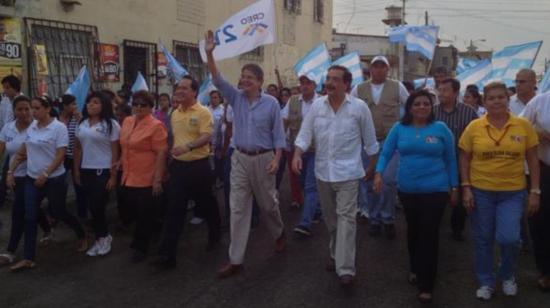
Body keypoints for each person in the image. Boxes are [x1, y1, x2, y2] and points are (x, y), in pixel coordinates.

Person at [205, 30, 286, 279]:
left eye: (250, 77)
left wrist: (276, 159)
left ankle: (279, 232)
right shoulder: (235, 98)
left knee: (268, 205)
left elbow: (279, 137)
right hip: (239, 158)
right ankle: (236, 259)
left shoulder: (271, 103)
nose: (245, 80)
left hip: (264, 159)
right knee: (238, 208)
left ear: (260, 81)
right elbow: (217, 79)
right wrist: (210, 52)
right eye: (243, 77)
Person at [293, 65, 379, 286]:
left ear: (346, 84)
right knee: (332, 222)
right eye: (328, 78)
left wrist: (373, 168)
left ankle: (346, 268)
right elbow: (305, 134)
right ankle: (335, 253)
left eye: (335, 79)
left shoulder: (359, 108)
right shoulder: (317, 107)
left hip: (349, 174)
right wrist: (297, 154)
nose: (330, 83)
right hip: (322, 173)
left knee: (347, 219)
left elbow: (370, 141)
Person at [374, 90, 458, 303]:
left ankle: (426, 282)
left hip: (436, 189)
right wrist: (378, 173)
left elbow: (451, 159)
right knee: (414, 230)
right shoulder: (399, 128)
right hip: (408, 190)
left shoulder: (441, 129)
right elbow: (386, 152)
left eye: (426, 104)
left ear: (431, 107)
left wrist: (455, 187)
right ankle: (414, 266)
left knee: (429, 233)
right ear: (409, 107)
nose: (422, 107)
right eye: (417, 104)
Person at [459, 82, 540, 300]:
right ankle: (486, 281)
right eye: (492, 98)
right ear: (484, 102)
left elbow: (532, 159)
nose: (496, 101)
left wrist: (535, 190)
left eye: (501, 97)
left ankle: (506, 275)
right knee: (483, 238)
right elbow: (464, 157)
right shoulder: (474, 127)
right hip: (481, 191)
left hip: (513, 193)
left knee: (510, 239)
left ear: (508, 99)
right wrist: (466, 187)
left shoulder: (523, 125)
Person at [6, 96, 87, 272]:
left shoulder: (59, 128)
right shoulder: (33, 127)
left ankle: (81, 235)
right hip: (31, 179)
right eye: (32, 108)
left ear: (47, 109)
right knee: (30, 216)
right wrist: (10, 172)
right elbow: (22, 152)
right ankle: (28, 258)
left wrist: (46, 173)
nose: (33, 112)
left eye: (36, 108)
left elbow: (60, 155)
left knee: (60, 212)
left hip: (54, 180)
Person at [153, 76, 221, 269]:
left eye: (184, 88)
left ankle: (215, 235)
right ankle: (167, 255)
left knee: (206, 204)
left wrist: (188, 147)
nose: (180, 91)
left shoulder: (203, 112)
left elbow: (207, 135)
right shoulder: (175, 113)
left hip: (199, 166)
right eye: (178, 88)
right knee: (174, 209)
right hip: (179, 168)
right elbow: (174, 138)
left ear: (194, 92)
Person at [351, 55, 409, 239]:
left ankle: (388, 218)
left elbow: (411, 106)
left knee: (388, 182)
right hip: (368, 143)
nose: (378, 70)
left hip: (390, 141)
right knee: (369, 182)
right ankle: (374, 218)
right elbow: (350, 112)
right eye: (375, 66)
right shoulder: (358, 89)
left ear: (387, 69)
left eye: (382, 66)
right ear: (370, 70)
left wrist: (405, 130)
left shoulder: (397, 86)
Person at [119, 90, 167, 263]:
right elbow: (125, 146)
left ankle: (140, 247)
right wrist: (119, 161)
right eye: (136, 104)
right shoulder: (127, 121)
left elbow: (161, 153)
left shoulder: (156, 125)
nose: (138, 107)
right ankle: (155, 226)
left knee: (143, 214)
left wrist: (157, 179)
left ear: (150, 107)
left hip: (147, 176)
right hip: (128, 174)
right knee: (130, 210)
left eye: (143, 105)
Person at [73, 91, 120, 257]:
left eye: (95, 102)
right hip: (86, 169)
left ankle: (104, 237)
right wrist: (76, 169)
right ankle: (101, 237)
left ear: (104, 105)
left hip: (104, 170)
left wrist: (113, 175)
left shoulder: (111, 124)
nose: (91, 105)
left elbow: (115, 151)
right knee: (93, 207)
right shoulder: (82, 123)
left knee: (97, 205)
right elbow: (77, 148)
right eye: (89, 102)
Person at [433, 78, 478, 242]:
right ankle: (434, 226)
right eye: (440, 90)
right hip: (437, 163)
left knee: (458, 198)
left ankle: (457, 229)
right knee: (436, 198)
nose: (441, 93)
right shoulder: (433, 112)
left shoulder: (469, 112)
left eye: (445, 90)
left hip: (461, 162)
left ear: (455, 93)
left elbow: (476, 136)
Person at [0, 96, 39, 266]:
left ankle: (10, 251)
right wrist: (7, 173)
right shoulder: (8, 128)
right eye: (19, 109)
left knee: (18, 211)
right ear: (14, 111)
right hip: (12, 174)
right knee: (29, 208)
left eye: (27, 109)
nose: (23, 113)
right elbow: (2, 150)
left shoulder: (37, 128)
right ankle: (48, 228)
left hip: (32, 176)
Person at [520, 91, 550, 291]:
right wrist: (536, 134)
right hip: (544, 170)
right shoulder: (541, 101)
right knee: (542, 222)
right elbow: (518, 126)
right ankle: (546, 270)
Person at [282, 74, 319, 235]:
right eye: (302, 83)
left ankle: (305, 223)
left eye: (308, 83)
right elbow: (284, 121)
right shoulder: (293, 101)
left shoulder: (322, 102)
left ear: (315, 85)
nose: (304, 86)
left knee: (310, 186)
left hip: (315, 151)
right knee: (303, 183)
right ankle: (317, 209)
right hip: (297, 150)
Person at [58, 94, 87, 220]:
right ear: (64, 106)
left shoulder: (78, 118)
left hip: (75, 156)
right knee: (59, 185)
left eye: (76, 103)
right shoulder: (56, 119)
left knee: (79, 184)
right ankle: (58, 212)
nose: (75, 106)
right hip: (61, 157)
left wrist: (80, 120)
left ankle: (82, 215)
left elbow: (83, 135)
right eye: (72, 104)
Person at [208, 90, 225, 184]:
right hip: (207, 142)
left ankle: (219, 181)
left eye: (215, 97)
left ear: (220, 98)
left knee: (218, 164)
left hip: (218, 143)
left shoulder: (223, 110)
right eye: (212, 97)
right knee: (210, 166)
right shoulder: (206, 110)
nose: (213, 99)